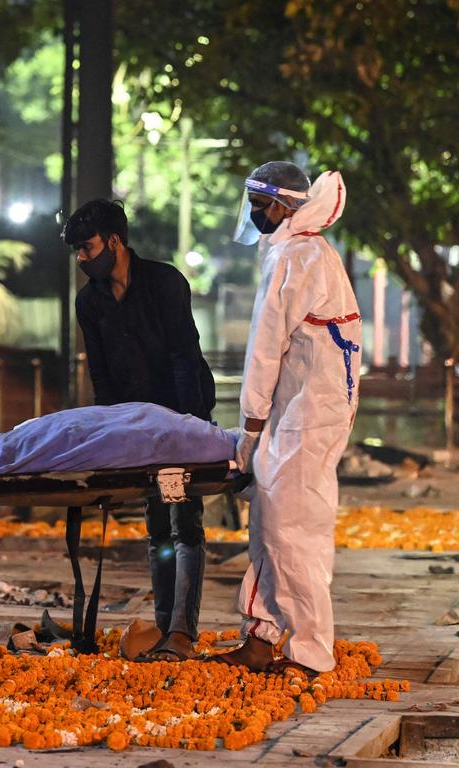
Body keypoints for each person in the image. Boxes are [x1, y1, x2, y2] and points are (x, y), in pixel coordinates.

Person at [213, 162, 359, 676]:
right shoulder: (302, 251)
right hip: (300, 412)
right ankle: (262, 634)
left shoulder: (298, 257)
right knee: (272, 526)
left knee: (289, 533)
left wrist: (250, 425)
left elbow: (265, 349)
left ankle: (311, 652)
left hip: (304, 417)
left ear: (282, 204)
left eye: (260, 204)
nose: (254, 214)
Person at [62, 199, 216, 662]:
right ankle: (166, 626)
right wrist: (112, 435)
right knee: (157, 530)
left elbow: (184, 357)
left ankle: (182, 633)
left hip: (181, 418)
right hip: (135, 429)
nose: (82, 259)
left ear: (114, 241)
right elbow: (104, 378)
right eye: (77, 252)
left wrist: (188, 431)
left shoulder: (165, 282)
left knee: (185, 524)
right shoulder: (89, 302)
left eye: (87, 248)